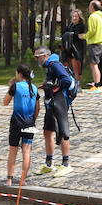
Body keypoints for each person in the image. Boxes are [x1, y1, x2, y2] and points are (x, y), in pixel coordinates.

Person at [34, 46, 74, 174]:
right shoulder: (50, 66)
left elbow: (66, 80)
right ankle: (49, 163)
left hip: (59, 102)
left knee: (62, 131)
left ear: (45, 55)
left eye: (38, 57)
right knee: (47, 131)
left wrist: (54, 89)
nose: (37, 60)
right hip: (51, 103)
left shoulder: (55, 65)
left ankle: (66, 164)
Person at [2, 64, 41, 186]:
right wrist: (33, 120)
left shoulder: (16, 86)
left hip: (16, 122)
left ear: (19, 74)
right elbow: (37, 107)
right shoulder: (34, 88)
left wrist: (10, 87)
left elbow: (5, 102)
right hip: (29, 122)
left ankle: (9, 179)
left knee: (13, 151)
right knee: (27, 152)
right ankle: (22, 180)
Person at [84, 1, 102, 89]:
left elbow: (92, 30)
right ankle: (97, 83)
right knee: (96, 64)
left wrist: (84, 36)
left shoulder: (93, 16)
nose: (88, 8)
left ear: (93, 7)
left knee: (93, 64)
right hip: (101, 42)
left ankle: (97, 84)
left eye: (90, 6)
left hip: (95, 42)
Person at [62, 9, 87, 80]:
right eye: (73, 16)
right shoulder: (70, 25)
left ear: (79, 17)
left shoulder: (81, 26)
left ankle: (78, 83)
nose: (74, 18)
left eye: (76, 16)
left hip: (77, 49)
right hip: (69, 49)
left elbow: (79, 36)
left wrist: (72, 35)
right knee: (69, 68)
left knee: (77, 68)